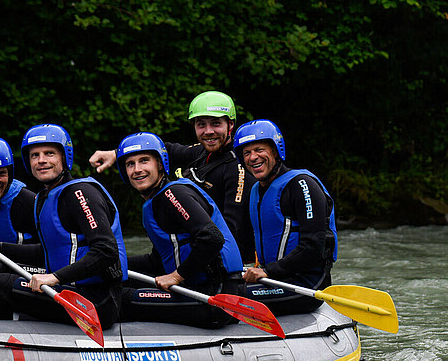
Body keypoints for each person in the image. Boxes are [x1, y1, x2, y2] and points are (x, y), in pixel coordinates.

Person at [0, 124, 127, 329]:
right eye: (34, 155)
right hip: (68, 292)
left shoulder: (80, 193)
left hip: (94, 302)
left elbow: (106, 251)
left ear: (64, 157)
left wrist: (54, 277)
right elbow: (51, 252)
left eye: (49, 153)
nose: (41, 160)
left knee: (1, 284)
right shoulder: (44, 197)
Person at [89, 91, 255, 262]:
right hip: (192, 250)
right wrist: (115, 154)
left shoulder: (237, 169)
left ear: (231, 125)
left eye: (215, 124)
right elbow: (162, 149)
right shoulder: (200, 152)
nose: (208, 131)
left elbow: (231, 232)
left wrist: (180, 273)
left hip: (219, 261)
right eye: (201, 125)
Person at [114, 132, 245, 328]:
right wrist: (116, 263)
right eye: (130, 164)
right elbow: (157, 261)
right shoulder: (156, 202)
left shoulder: (173, 194)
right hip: (199, 289)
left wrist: (176, 276)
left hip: (216, 296)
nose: (137, 169)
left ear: (160, 164)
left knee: (120, 299)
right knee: (118, 282)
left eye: (144, 161)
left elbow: (212, 238)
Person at [234, 119, 338, 315]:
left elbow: (314, 245)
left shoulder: (302, 185)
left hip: (305, 284)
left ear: (275, 151)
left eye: (259, 150)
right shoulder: (256, 190)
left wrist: (269, 271)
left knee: (231, 297)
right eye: (247, 153)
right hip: (272, 279)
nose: (253, 157)